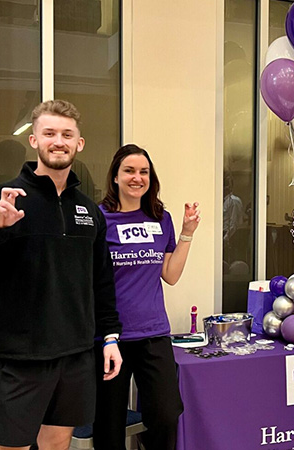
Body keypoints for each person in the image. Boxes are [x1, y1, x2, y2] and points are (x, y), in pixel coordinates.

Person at [0, 99, 123, 450]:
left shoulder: (89, 210)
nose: (59, 141)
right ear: (35, 141)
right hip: (21, 358)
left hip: (75, 355)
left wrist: (110, 337)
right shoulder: (5, 199)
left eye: (67, 134)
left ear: (79, 143)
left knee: (57, 444)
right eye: (50, 133)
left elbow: (101, 282)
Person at [93, 144, 200, 450]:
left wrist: (187, 232)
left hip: (153, 333)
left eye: (144, 172)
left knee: (166, 415)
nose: (137, 177)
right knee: (109, 424)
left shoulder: (160, 218)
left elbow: (170, 274)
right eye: (129, 171)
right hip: (110, 336)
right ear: (115, 177)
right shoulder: (100, 220)